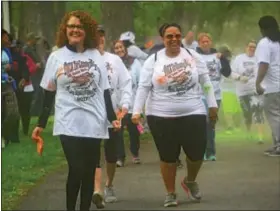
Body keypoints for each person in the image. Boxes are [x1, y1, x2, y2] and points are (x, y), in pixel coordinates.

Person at [31, 11, 121, 211]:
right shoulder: (57, 57)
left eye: (79, 27)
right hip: (68, 122)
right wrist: (40, 124)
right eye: (71, 26)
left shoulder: (95, 56)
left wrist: (112, 118)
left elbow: (104, 90)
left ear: (86, 31)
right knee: (76, 169)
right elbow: (48, 93)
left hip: (94, 123)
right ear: (65, 30)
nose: (75, 30)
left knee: (89, 172)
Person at [131, 23, 218, 207]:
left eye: (177, 35)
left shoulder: (193, 56)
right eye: (169, 36)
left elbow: (206, 81)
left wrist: (212, 105)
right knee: (168, 156)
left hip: (193, 110)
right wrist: (136, 111)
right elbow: (143, 87)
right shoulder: (153, 60)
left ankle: (190, 180)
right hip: (161, 114)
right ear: (163, 39)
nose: (174, 39)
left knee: (197, 153)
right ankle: (170, 193)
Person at [92, 25, 132, 208]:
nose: (99, 39)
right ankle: (96, 189)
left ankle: (109, 185)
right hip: (91, 114)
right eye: (95, 36)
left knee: (111, 153)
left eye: (102, 35)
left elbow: (126, 83)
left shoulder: (114, 60)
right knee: (92, 152)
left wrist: (125, 105)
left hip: (113, 113)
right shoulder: (84, 59)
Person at [196, 33, 231, 161]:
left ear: (211, 42)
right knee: (203, 123)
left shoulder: (217, 56)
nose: (205, 43)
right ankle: (204, 150)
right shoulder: (195, 56)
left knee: (211, 123)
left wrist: (223, 59)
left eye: (207, 41)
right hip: (201, 95)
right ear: (199, 43)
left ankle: (210, 152)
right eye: (203, 42)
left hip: (216, 95)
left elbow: (227, 73)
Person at [112, 40, 142, 167]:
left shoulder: (135, 63)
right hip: (118, 105)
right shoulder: (112, 64)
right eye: (116, 48)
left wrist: (141, 105)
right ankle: (120, 158)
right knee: (118, 132)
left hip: (132, 104)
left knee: (134, 132)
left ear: (125, 49)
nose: (119, 50)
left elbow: (141, 82)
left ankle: (135, 154)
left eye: (121, 47)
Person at [231, 40, 265, 143]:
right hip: (242, 91)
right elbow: (231, 73)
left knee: (258, 110)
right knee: (247, 113)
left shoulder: (259, 59)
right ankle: (248, 131)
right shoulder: (238, 58)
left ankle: (260, 137)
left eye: (254, 47)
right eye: (250, 47)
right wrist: (239, 77)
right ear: (246, 47)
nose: (252, 49)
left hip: (255, 90)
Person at [255, 15, 280, 156]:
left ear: (262, 29)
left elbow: (264, 64)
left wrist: (258, 82)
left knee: (274, 116)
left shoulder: (265, 43)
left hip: (273, 86)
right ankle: (276, 143)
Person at [23, 32, 42, 116]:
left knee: (39, 93)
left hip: (37, 74)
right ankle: (31, 113)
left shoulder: (32, 48)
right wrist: (35, 66)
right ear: (31, 39)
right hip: (32, 75)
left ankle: (36, 112)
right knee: (36, 93)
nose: (36, 41)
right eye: (35, 39)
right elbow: (25, 63)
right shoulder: (26, 49)